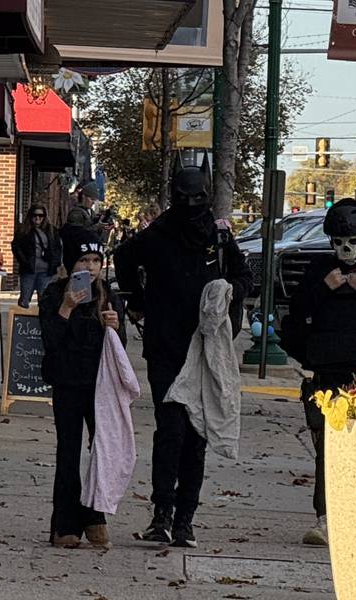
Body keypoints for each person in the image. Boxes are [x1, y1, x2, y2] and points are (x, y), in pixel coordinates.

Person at [115, 157, 251, 548]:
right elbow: (124, 257)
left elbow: (244, 276)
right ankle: (162, 514)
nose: (191, 206)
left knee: (196, 437)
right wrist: (138, 300)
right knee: (171, 431)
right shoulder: (158, 233)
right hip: (166, 347)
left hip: (205, 349)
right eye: (184, 198)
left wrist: (229, 293)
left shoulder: (219, 238)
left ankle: (185, 519)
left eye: (197, 198)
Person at [280, 198, 356, 546]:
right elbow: (296, 316)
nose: (346, 250)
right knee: (327, 450)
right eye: (339, 243)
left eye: (352, 242)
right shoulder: (320, 272)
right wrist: (325, 287)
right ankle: (326, 518)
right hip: (328, 374)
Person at [39, 229, 126, 548]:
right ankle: (64, 523)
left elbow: (120, 348)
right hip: (67, 382)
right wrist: (66, 308)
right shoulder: (54, 293)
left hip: (100, 385)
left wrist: (115, 327)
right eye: (83, 260)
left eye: (95, 261)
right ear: (70, 263)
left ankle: (94, 516)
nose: (89, 267)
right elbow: (50, 340)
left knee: (101, 450)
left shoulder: (108, 295)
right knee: (68, 451)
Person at [12, 203, 62, 309]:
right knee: (24, 300)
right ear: (30, 216)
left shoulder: (51, 230)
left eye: (41, 215)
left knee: (44, 301)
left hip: (46, 271)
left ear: (45, 217)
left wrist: (55, 263)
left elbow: (58, 248)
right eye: (34, 215)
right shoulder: (24, 230)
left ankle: (42, 319)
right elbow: (16, 246)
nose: (37, 218)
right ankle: (21, 319)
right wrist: (23, 261)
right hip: (29, 270)